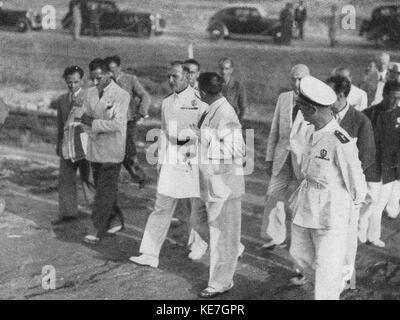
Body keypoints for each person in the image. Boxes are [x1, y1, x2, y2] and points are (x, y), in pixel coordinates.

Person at [288, 75, 367, 300]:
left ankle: (329, 289)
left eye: (301, 107)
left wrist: (348, 214)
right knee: (299, 255)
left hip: (332, 212)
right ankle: (335, 281)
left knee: (326, 267)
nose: (299, 112)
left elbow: (357, 182)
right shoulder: (313, 132)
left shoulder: (340, 140)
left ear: (312, 108)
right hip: (307, 205)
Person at [129, 61, 207, 268]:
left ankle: (200, 244)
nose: (171, 80)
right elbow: (163, 132)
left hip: (193, 160)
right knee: (161, 207)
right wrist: (160, 160)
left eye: (176, 76)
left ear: (187, 76)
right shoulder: (166, 102)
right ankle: (149, 253)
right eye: (169, 76)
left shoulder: (200, 101)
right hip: (172, 161)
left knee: (196, 207)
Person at [191, 72, 245, 298]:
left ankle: (220, 282)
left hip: (223, 185)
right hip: (207, 183)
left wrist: (205, 140)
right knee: (197, 222)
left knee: (220, 236)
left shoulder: (225, 113)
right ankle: (235, 247)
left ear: (203, 92)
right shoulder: (209, 109)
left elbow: (238, 150)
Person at [326, 75, 376, 290]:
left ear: (340, 95)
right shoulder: (325, 117)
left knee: (347, 235)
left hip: (348, 191)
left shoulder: (360, 121)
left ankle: (347, 278)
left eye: (330, 94)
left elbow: (367, 157)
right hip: (327, 190)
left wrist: (347, 183)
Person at [78, 58, 130, 244]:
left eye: (98, 78)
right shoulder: (90, 93)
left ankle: (95, 228)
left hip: (112, 149)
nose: (95, 82)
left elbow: (117, 124)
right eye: (92, 78)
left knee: (104, 191)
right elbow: (82, 118)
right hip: (95, 146)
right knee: (103, 188)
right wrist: (92, 127)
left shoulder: (121, 95)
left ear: (109, 74)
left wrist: (93, 123)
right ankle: (115, 218)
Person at [260, 64, 310, 250]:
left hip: (301, 162)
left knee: (298, 204)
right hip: (281, 158)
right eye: (294, 79)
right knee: (273, 198)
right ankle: (275, 237)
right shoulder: (284, 98)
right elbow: (274, 130)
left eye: (301, 79)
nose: (297, 83)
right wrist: (269, 158)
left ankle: (299, 245)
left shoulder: (314, 102)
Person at [52, 66, 91, 226]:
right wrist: (59, 144)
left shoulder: (89, 97)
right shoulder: (62, 100)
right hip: (68, 146)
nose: (73, 85)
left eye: (76, 82)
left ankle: (100, 213)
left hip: (85, 145)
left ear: (81, 80)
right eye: (69, 83)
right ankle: (68, 213)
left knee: (89, 178)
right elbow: (61, 124)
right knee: (66, 178)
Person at [105, 55, 151, 189]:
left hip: (129, 121)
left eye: (113, 69)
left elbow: (145, 96)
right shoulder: (105, 83)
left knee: (128, 150)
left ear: (119, 68)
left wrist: (142, 112)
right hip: (113, 122)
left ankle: (140, 176)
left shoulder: (130, 80)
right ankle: (135, 176)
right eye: (108, 70)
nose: (111, 73)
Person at [219, 57, 248, 123]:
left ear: (231, 70)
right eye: (221, 69)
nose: (223, 72)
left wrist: (238, 122)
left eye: (226, 69)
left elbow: (243, 108)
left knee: (250, 132)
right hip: (218, 122)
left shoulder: (238, 86)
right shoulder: (214, 85)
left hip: (233, 121)